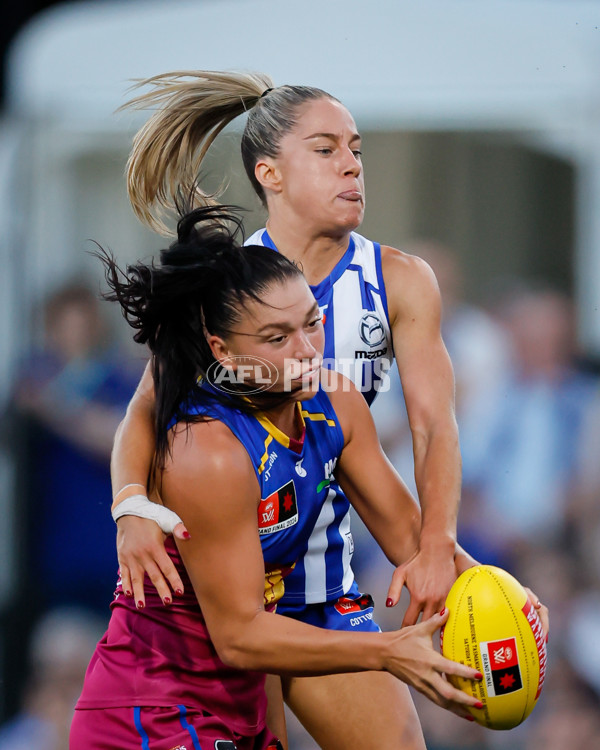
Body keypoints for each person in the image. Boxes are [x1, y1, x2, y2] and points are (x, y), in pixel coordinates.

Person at [107, 71, 547, 745]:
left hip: (320, 583)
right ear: (269, 174)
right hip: (219, 597)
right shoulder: (224, 286)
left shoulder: (397, 279)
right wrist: (130, 508)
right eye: (326, 148)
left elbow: (433, 425)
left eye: (358, 148)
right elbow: (144, 413)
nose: (351, 164)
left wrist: (451, 558)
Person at [70, 206, 488, 750]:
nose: (307, 351)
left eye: (311, 323)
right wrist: (387, 651)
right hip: (153, 706)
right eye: (276, 338)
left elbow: (412, 540)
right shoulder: (208, 449)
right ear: (223, 351)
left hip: (243, 698)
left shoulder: (334, 400)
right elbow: (240, 636)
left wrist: (502, 594)